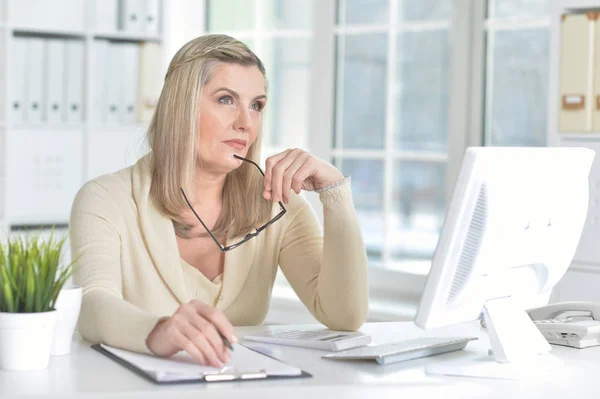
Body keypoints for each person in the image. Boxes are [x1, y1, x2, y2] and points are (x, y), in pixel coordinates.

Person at [69, 34, 368, 368]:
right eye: (226, 100)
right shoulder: (106, 199)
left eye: (256, 105)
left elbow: (345, 316)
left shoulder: (278, 204)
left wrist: (335, 194)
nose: (246, 123)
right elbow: (92, 305)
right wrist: (159, 331)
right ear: (180, 107)